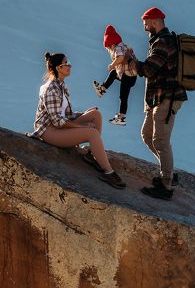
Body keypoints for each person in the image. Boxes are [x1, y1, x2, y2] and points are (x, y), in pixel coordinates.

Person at [32, 52, 125, 189]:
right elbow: (57, 121)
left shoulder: (61, 86)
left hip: (60, 126)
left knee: (95, 114)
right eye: (67, 63)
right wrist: (82, 127)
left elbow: (67, 115)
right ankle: (108, 172)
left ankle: (91, 155)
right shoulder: (50, 89)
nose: (70, 65)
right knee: (92, 133)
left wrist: (83, 114)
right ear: (58, 68)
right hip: (49, 131)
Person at [134, 7, 187, 200]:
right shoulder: (160, 41)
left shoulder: (163, 42)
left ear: (155, 21)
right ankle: (169, 172)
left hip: (167, 98)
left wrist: (132, 62)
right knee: (147, 135)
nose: (145, 27)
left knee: (160, 140)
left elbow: (149, 69)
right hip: (159, 97)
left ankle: (166, 186)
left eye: (146, 23)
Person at [92, 25, 138, 125]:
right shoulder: (123, 46)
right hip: (129, 76)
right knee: (113, 73)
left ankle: (121, 118)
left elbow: (120, 58)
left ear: (112, 44)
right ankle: (102, 89)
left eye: (108, 47)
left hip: (128, 77)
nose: (109, 50)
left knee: (123, 97)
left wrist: (112, 65)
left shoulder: (119, 47)